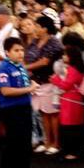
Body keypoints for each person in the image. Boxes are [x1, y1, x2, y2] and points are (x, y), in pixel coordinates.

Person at [0, 37, 38, 168]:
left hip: (24, 107)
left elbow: (24, 85)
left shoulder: (20, 67)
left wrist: (31, 86)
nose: (20, 54)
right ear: (7, 52)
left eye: (22, 50)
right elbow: (6, 91)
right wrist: (29, 89)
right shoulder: (3, 69)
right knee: (13, 143)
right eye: (16, 50)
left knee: (25, 143)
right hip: (11, 110)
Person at [24, 15, 64, 155]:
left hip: (49, 81)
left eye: (37, 26)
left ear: (45, 28)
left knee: (52, 113)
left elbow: (45, 62)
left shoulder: (54, 42)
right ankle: (47, 141)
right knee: (42, 112)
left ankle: (56, 142)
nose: (35, 28)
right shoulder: (34, 41)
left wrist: (27, 66)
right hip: (36, 81)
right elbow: (28, 55)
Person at [49, 41, 84, 161]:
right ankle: (72, 150)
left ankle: (73, 150)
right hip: (71, 99)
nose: (63, 57)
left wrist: (55, 79)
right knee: (72, 126)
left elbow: (66, 85)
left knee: (70, 126)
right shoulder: (75, 69)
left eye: (65, 55)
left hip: (71, 100)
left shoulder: (72, 70)